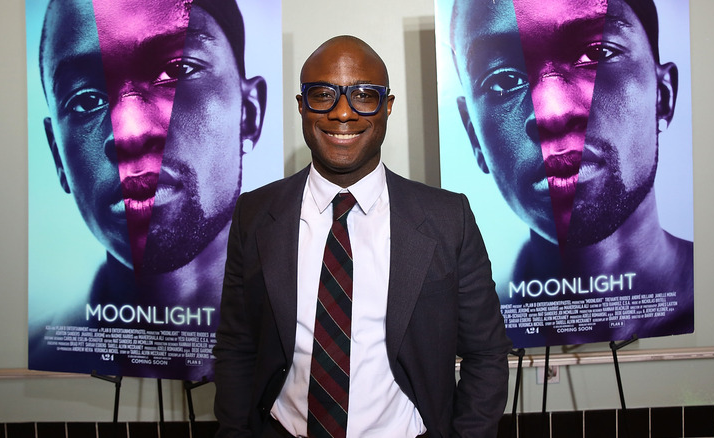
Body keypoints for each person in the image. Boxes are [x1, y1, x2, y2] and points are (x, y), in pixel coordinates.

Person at [213, 35, 511, 438]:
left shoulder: (447, 219)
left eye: (364, 95)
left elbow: (486, 353)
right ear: (302, 107)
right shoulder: (255, 214)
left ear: (387, 107)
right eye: (323, 94)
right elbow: (237, 346)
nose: (342, 113)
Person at [30, 0, 266, 377]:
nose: (131, 131)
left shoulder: (300, 340)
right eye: (86, 100)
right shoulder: (44, 356)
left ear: (248, 114)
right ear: (58, 155)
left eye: (177, 70)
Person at [449, 0, 693, 341]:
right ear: (473, 135)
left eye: (597, 53)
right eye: (503, 80)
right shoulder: (473, 334)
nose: (552, 111)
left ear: (663, 96)